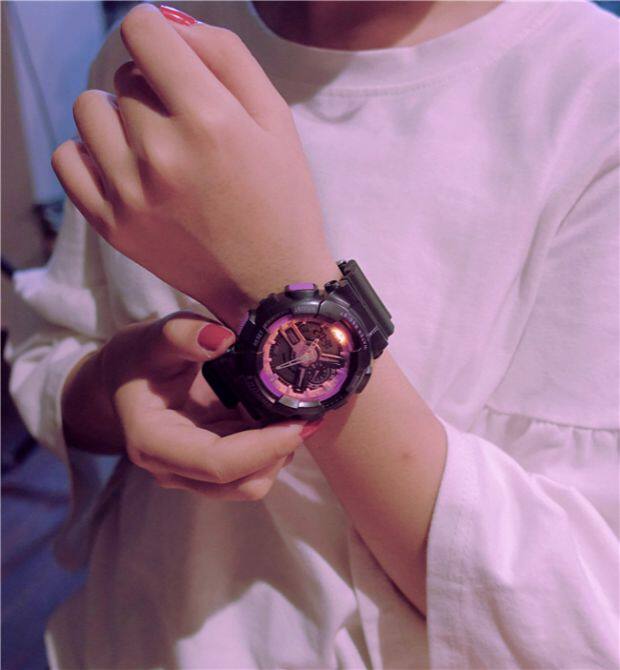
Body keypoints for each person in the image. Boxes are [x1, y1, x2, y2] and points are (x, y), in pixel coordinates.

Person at [7, 1, 619, 667]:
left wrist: (271, 277)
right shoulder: (159, 53)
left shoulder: (595, 97)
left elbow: (570, 620)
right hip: (134, 634)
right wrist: (112, 387)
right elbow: (54, 351)